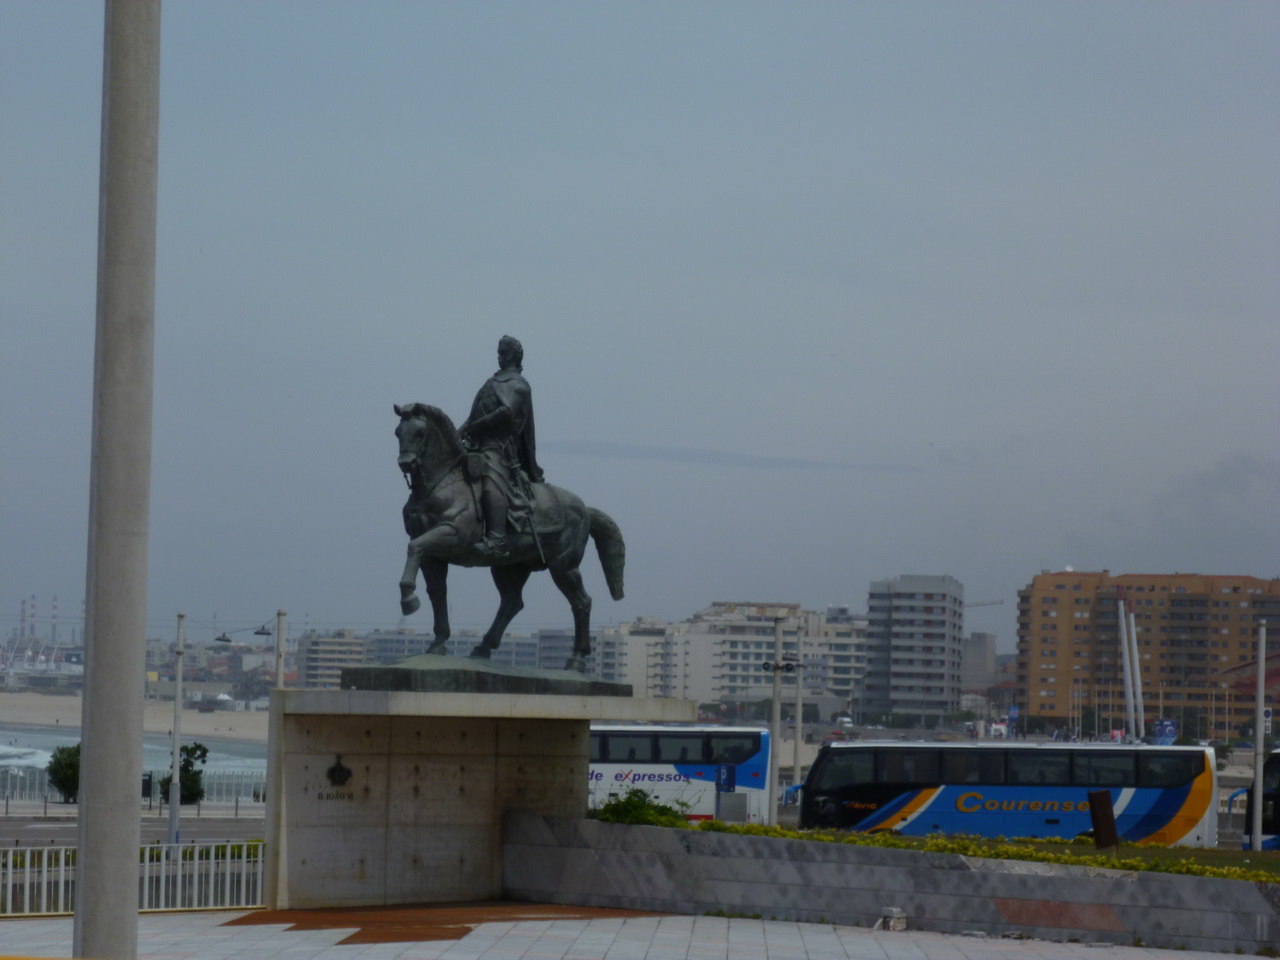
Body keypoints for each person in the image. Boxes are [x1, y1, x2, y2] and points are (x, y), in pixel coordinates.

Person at [458, 336, 544, 558]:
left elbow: (507, 412)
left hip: (499, 449)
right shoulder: (491, 382)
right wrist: (456, 434)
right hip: (475, 445)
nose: (499, 357)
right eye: (498, 352)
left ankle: (496, 539)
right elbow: (472, 418)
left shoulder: (519, 385)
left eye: (504, 352)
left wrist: (476, 426)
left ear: (515, 355)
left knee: (490, 482)